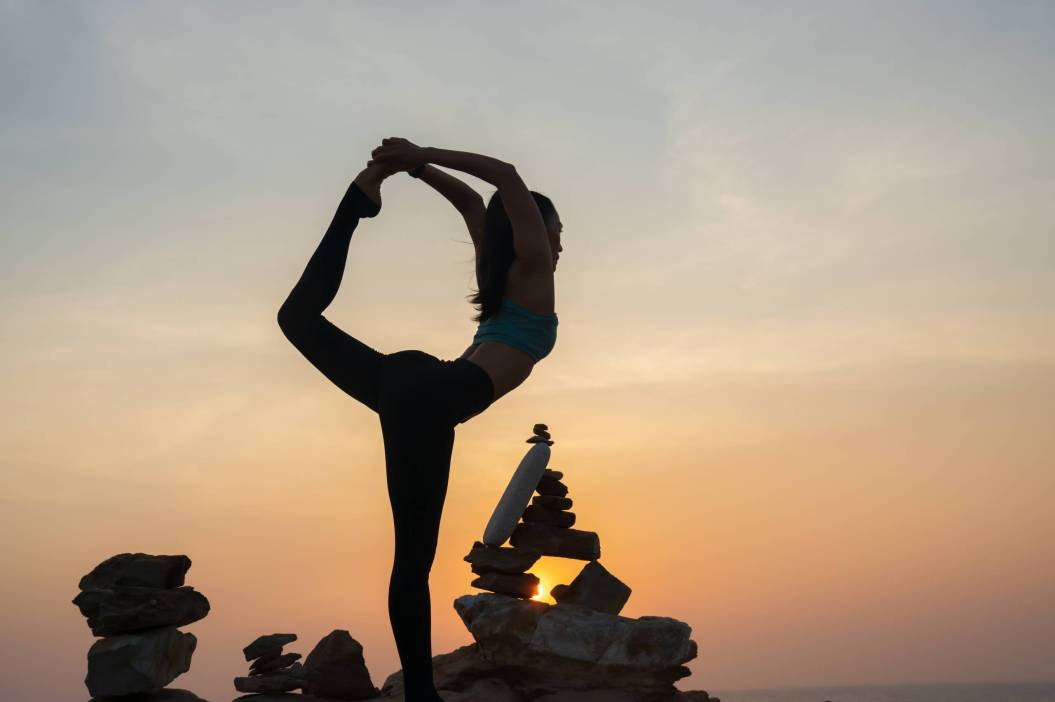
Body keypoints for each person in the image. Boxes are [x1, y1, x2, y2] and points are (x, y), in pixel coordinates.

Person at [276, 137, 562, 701]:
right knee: (412, 563)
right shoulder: (532, 276)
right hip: (432, 400)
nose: (559, 246)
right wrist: (418, 153)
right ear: (532, 231)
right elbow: (503, 177)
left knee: (296, 317)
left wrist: (412, 168)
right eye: (555, 232)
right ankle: (422, 698)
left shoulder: (498, 273)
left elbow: (473, 206)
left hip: (405, 379)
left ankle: (358, 202)